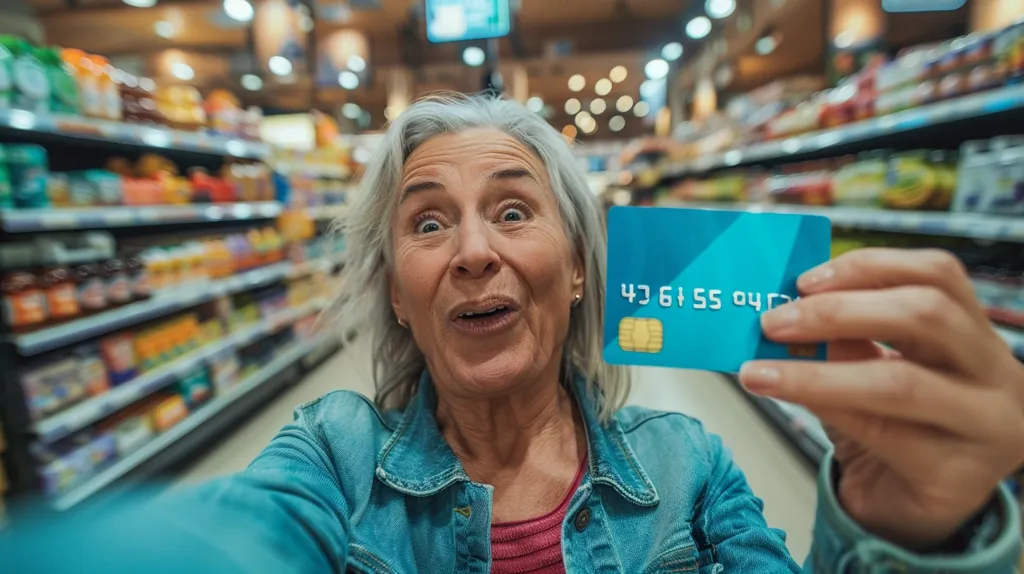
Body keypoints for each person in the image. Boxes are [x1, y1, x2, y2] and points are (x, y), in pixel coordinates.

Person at [4, 94, 1024, 573]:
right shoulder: (328, 457)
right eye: (428, 220)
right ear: (396, 293)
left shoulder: (691, 465)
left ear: (580, 269)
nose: (473, 252)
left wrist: (907, 532)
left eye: (514, 208)